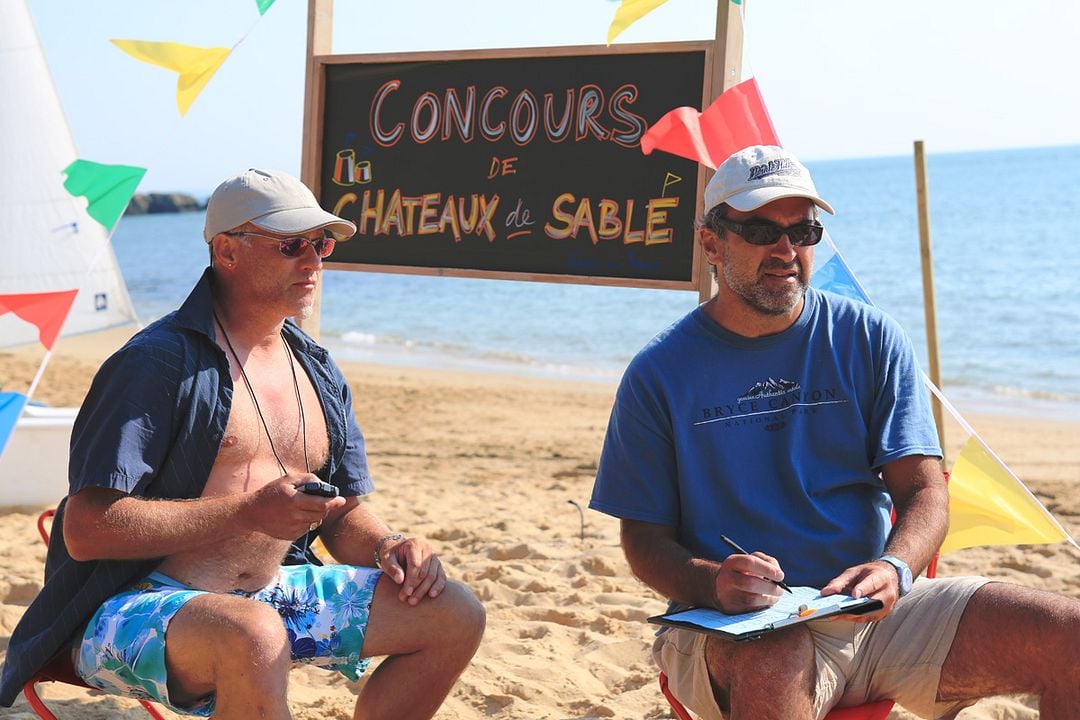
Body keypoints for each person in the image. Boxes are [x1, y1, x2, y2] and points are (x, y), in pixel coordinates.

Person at [589, 146, 1079, 719]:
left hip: (872, 612)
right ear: (711, 243)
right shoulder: (659, 373)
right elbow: (644, 540)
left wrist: (893, 567)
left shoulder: (871, 337)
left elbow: (924, 490)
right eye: (760, 229)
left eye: (802, 230)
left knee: (1069, 637)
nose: (786, 249)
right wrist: (711, 583)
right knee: (777, 655)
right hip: (734, 624)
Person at [0, 168, 486, 720]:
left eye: (320, 243)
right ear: (227, 251)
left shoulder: (317, 369)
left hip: (271, 595)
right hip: (127, 607)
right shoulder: (154, 364)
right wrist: (249, 512)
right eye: (291, 245)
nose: (314, 261)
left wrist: (389, 546)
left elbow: (340, 512)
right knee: (255, 634)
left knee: (454, 613)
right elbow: (87, 530)